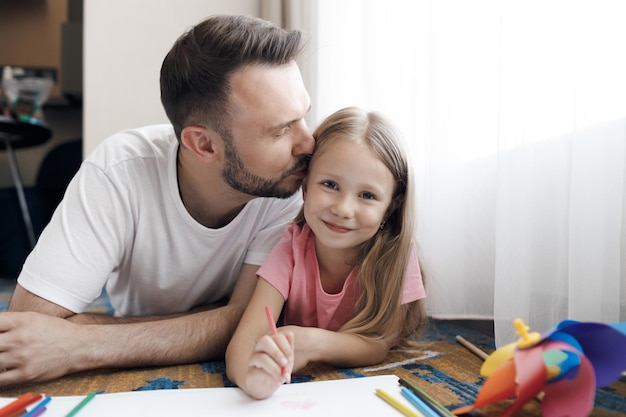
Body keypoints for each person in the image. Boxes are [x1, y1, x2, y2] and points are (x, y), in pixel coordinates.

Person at [0, 14, 314, 387]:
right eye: (280, 130)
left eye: (303, 117)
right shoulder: (119, 172)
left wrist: (80, 343)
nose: (308, 143)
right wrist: (213, 320)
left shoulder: (287, 182)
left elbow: (247, 320)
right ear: (204, 145)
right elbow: (25, 334)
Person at [225, 107, 427, 400]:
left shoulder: (396, 253)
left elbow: (378, 344)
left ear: (391, 207)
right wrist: (252, 378)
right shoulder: (290, 246)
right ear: (305, 187)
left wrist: (314, 343)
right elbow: (245, 338)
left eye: (367, 195)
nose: (343, 209)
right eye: (330, 185)